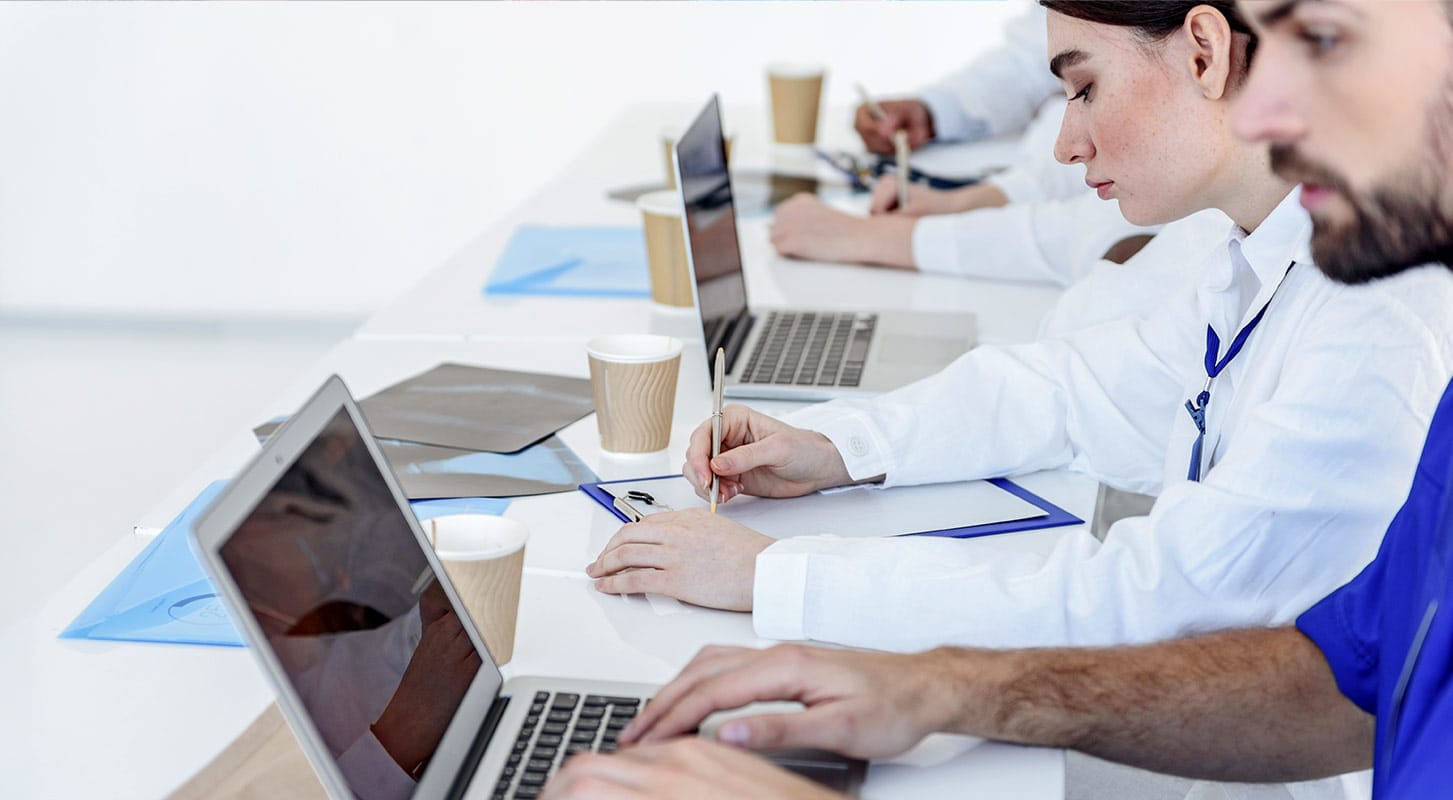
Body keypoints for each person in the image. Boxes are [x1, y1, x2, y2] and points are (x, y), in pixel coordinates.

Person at [544, 0, 1453, 797]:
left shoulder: (1378, 316)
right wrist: (838, 446)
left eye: (1084, 88)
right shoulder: (1254, 250)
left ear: (1206, 53)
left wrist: (776, 578)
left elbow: (1167, 601)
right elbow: (1077, 389)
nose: (1064, 142)